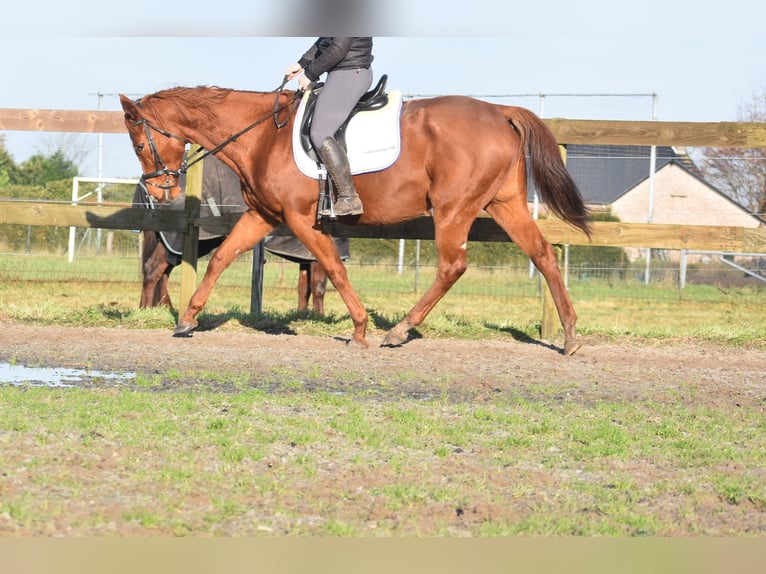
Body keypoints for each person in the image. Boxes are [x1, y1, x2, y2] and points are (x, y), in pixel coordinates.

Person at [285, 37, 374, 217]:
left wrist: (310, 74)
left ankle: (349, 198)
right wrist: (302, 63)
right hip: (341, 71)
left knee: (320, 132)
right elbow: (325, 40)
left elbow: (339, 48)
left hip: (350, 72)